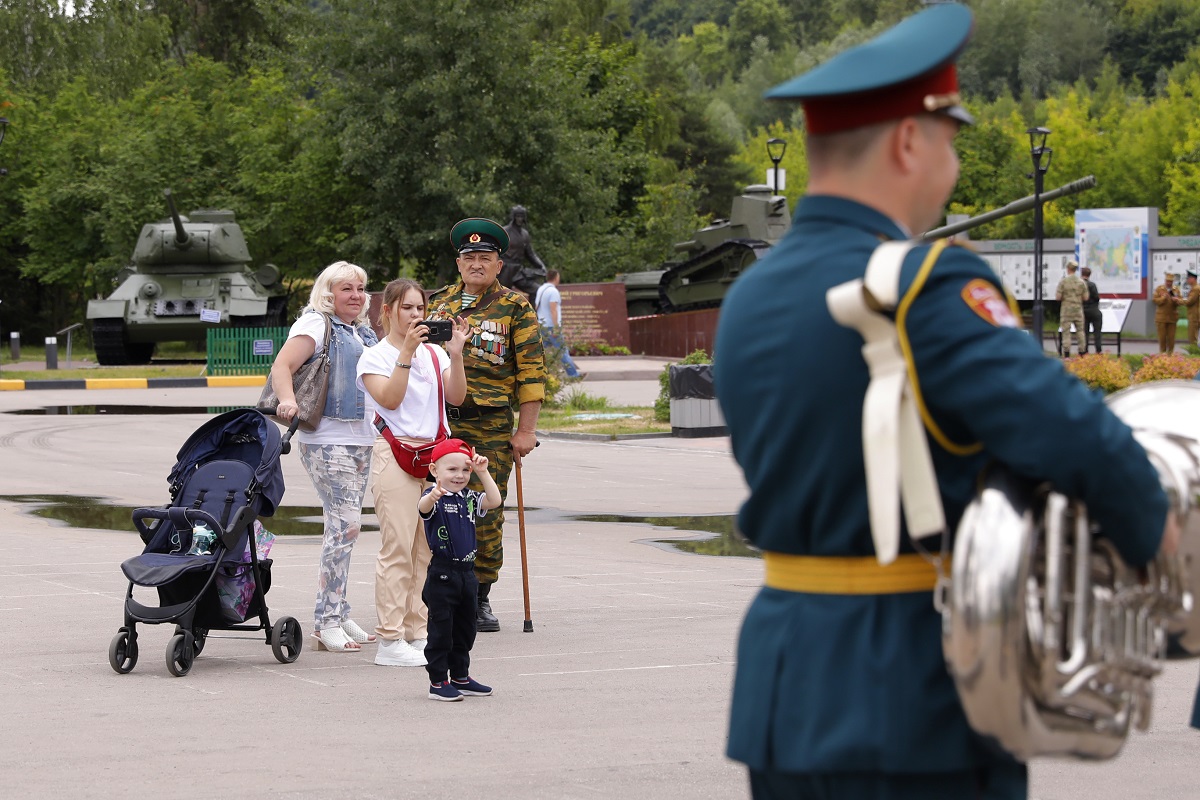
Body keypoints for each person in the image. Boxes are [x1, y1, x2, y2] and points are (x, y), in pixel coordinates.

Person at [712, 4, 1177, 798]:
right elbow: (1080, 439)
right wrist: (1160, 548)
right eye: (951, 142)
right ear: (907, 141)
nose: (952, 166)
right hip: (909, 698)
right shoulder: (926, 286)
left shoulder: (751, 297)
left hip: (783, 686)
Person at [427, 218, 546, 632]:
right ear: (458, 264)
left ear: (499, 265)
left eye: (485, 258)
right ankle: (439, 589)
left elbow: (532, 372)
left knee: (484, 511)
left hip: (490, 426)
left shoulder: (515, 307)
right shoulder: (438, 305)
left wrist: (526, 431)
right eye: (469, 258)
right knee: (436, 506)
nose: (476, 264)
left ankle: (479, 596)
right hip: (440, 426)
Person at [358, 279, 470, 667]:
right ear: (387, 310)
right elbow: (390, 398)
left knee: (427, 551)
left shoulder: (434, 354)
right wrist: (405, 351)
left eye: (421, 309)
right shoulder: (374, 356)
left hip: (434, 457)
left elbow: (456, 397)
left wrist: (454, 355)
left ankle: (416, 631)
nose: (416, 316)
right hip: (396, 454)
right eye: (407, 308)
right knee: (398, 547)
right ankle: (389, 640)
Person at [269, 260, 380, 653]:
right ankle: (326, 619)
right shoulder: (317, 324)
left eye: (361, 289)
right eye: (346, 288)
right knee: (345, 525)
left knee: (346, 527)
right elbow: (282, 365)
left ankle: (340, 609)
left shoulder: (363, 332)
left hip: (363, 441)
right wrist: (286, 400)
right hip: (327, 439)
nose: (355, 296)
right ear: (328, 292)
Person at [417, 438, 501, 701]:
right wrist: (433, 494)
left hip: (467, 573)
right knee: (442, 629)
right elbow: (423, 508)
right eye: (452, 470)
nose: (459, 476)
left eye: (465, 470)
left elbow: (494, 500)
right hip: (443, 574)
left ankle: (461, 677)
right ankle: (438, 682)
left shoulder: (468, 498)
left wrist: (482, 471)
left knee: (465, 629)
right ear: (435, 471)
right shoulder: (433, 497)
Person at [534, 269, 582, 379]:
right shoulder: (553, 291)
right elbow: (553, 310)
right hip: (551, 326)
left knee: (540, 353)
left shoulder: (541, 289)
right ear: (556, 277)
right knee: (562, 351)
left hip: (542, 325)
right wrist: (556, 327)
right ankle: (573, 375)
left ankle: (536, 375)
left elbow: (536, 307)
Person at [499, 205, 549, 296]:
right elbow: (495, 252)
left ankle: (533, 311)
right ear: (513, 217)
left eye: (521, 216)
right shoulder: (504, 231)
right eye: (517, 216)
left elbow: (530, 254)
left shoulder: (525, 234)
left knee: (537, 290)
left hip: (518, 271)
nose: (519, 219)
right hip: (505, 270)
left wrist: (541, 266)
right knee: (501, 296)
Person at [1055, 260, 1087, 358]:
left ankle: (1067, 354)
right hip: (1078, 309)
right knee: (1080, 331)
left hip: (1066, 310)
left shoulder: (1063, 281)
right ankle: (1081, 352)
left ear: (1068, 269)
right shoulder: (1081, 282)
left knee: (1066, 332)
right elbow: (1085, 297)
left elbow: (1058, 297)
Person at [1153, 272, 1182, 353]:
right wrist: (1163, 298)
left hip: (1172, 317)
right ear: (1165, 281)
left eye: (1170, 281)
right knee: (1162, 338)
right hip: (1161, 318)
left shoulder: (1176, 289)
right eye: (1167, 281)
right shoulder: (1159, 289)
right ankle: (1162, 354)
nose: (1169, 283)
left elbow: (1180, 301)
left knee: (1171, 338)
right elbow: (1155, 300)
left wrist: (1176, 300)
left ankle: (1170, 354)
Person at [1080, 266, 1102, 354]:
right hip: (1094, 310)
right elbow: (1097, 297)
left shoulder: (1080, 285)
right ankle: (1098, 350)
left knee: (1084, 333)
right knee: (1097, 332)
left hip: (1083, 311)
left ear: (1082, 274)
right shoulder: (1092, 285)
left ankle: (1084, 351)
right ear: (1089, 275)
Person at [1185, 271, 1200, 347]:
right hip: (1195, 315)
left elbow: (1189, 302)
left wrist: (1178, 301)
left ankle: (1194, 356)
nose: (1187, 280)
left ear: (1193, 279)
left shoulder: (1196, 289)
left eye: (1188, 278)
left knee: (1193, 339)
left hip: (1195, 316)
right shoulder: (1195, 288)